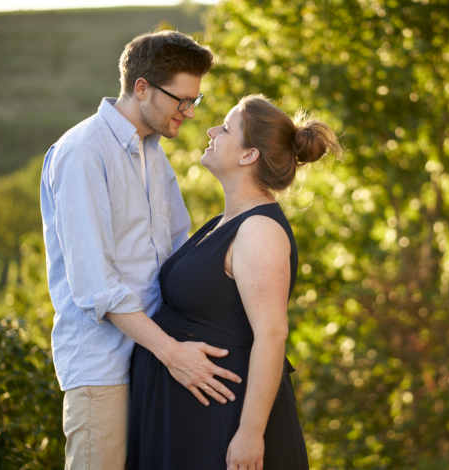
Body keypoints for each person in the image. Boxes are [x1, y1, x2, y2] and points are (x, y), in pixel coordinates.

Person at [40, 31, 243, 470]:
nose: (190, 112)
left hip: (154, 360)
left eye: (195, 100)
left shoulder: (153, 154)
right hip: (104, 369)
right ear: (142, 87)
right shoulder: (82, 153)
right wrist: (174, 354)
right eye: (181, 100)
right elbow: (96, 288)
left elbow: (178, 255)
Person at [127, 94, 342, 470]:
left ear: (249, 155)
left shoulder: (259, 230)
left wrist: (250, 433)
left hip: (222, 421)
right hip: (187, 414)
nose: (212, 131)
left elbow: (272, 335)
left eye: (226, 129)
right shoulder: (225, 221)